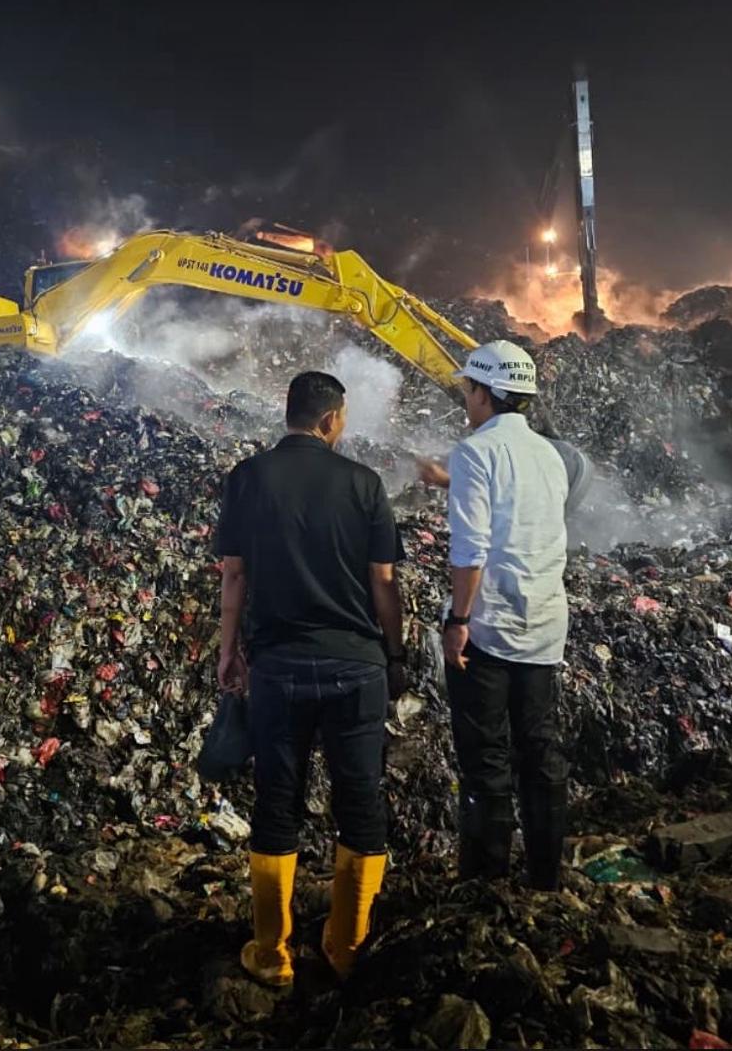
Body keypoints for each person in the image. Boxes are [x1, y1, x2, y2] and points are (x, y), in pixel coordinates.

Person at [215, 371, 405, 986]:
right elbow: (384, 582)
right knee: (360, 801)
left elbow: (234, 575)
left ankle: (273, 956)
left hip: (279, 668)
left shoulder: (248, 478)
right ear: (330, 420)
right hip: (357, 667)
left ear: (290, 413)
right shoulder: (363, 483)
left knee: (277, 803)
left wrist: (228, 652)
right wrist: (395, 652)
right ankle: (346, 946)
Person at [418, 340, 571, 890]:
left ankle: (487, 885)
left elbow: (471, 550)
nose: (466, 398)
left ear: (485, 393)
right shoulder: (550, 455)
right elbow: (523, 508)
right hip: (545, 624)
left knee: (486, 760)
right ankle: (546, 878)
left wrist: (458, 622)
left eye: (469, 389)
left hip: (489, 628)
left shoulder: (475, 451)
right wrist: (448, 481)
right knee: (540, 751)